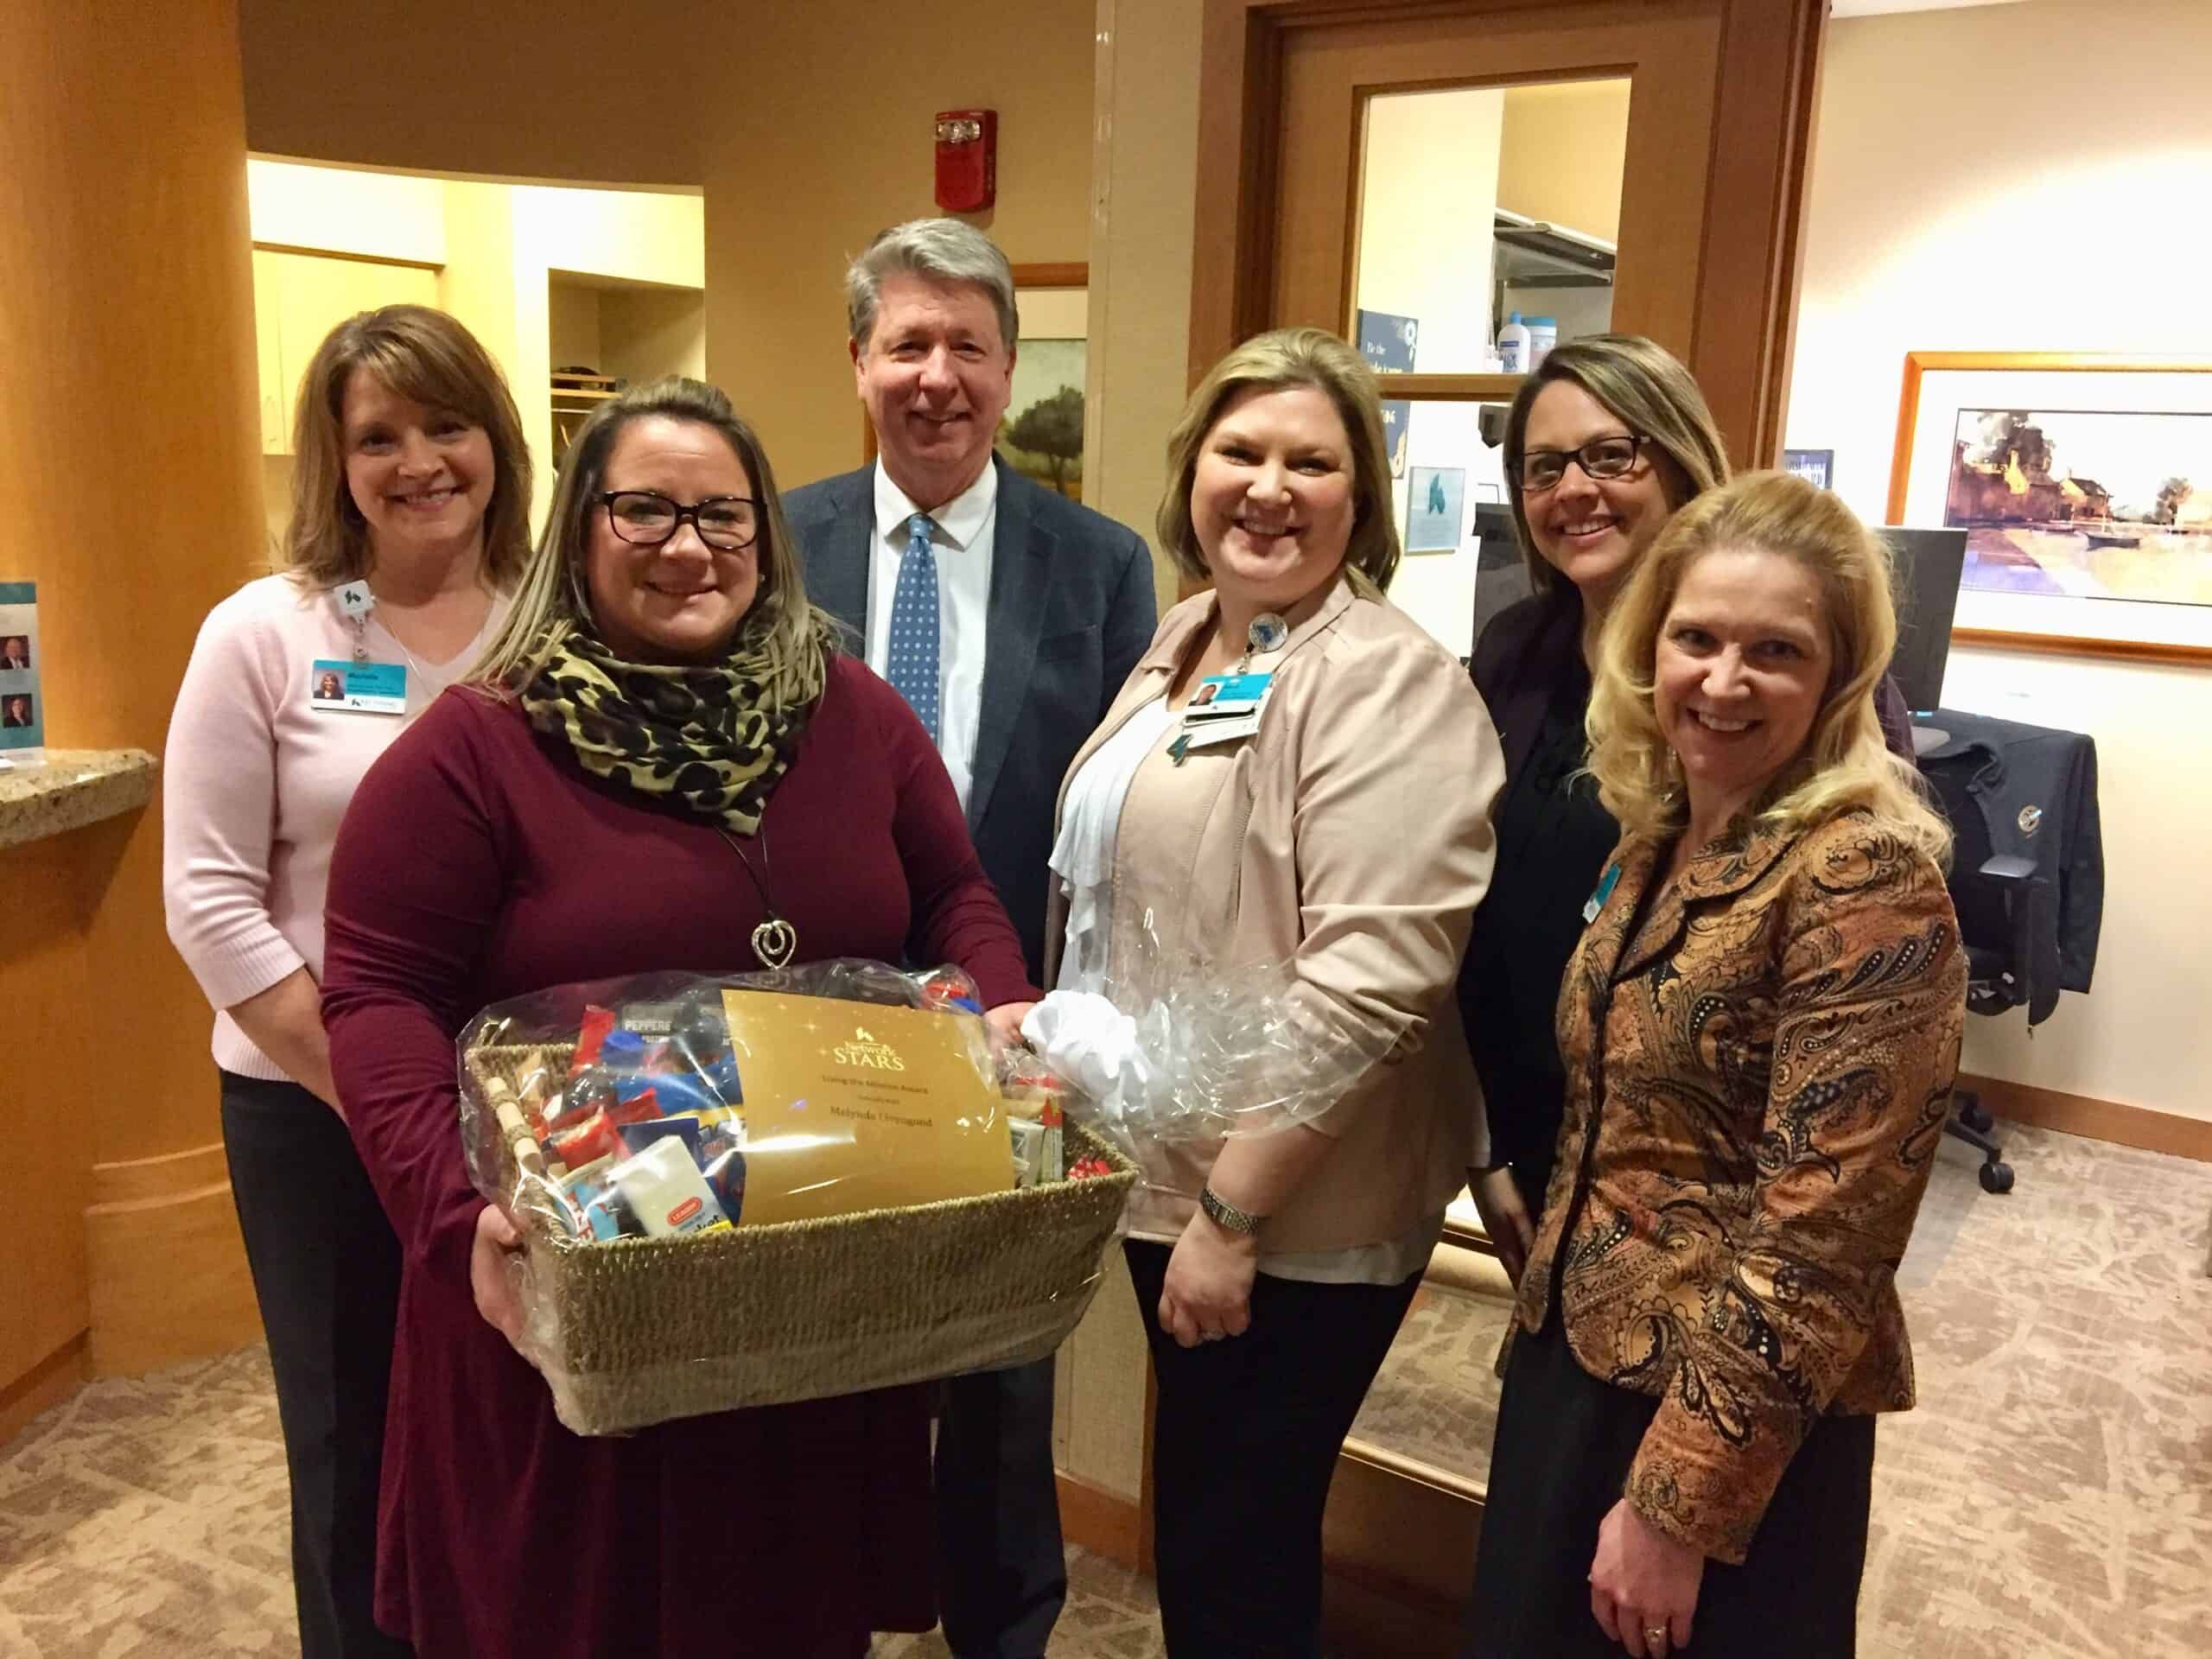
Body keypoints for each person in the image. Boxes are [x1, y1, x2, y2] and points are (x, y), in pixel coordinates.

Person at [320, 376, 1038, 1659]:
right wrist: (452, 1209)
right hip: (586, 1296)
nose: (688, 546)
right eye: (644, 511)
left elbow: (953, 894)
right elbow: (377, 998)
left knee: (787, 1613)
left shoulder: (850, 712)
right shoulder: (475, 751)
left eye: (722, 514)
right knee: (581, 1617)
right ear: (579, 529)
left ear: (766, 533)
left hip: (811, 1285)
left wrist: (1005, 1015)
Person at [1045, 327, 1502, 1656]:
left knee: (1233, 1553)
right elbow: (1153, 891)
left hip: (1286, 1210)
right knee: (1214, 1531)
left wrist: (1232, 1215)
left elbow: (1371, 985)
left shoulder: (1385, 681)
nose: (1268, 487)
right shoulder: (1197, 635)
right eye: (1240, 452)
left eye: (1312, 462)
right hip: (1173, 1171)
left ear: (1362, 499)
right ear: (1192, 470)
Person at [1466, 471, 1966, 1658]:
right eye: (1695, 638)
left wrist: (1678, 1505)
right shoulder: (1662, 836)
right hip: (1579, 1360)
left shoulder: (1861, 877)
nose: (1724, 681)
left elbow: (1825, 1240)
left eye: (1775, 652)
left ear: (1838, 676)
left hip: (1724, 1410)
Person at [784, 216, 1155, 1659]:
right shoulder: (779, 540)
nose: (936, 376)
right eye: (906, 345)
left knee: (1003, 1371)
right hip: (807, 1018)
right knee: (815, 1350)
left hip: (1013, 1017)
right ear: (857, 364)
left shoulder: (1101, 563)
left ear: (1009, 369)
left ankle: (1004, 1631)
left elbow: (1117, 807)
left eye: (968, 347)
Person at [162, 304, 530, 1659]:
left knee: (515, 1427)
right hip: (314, 1113)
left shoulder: (549, 626)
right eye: (380, 436)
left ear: (497, 440)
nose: (420, 461)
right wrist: (384, 1099)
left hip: (530, 1119)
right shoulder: (263, 633)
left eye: (447, 424)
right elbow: (207, 898)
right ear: (336, 460)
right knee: (350, 1434)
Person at [1459, 335, 1917, 1285]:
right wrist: (1484, 1143)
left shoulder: (1790, 689)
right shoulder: (1513, 648)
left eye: (1610, 455)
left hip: (1714, 1185)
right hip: (1539, 1130)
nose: (1573, 489)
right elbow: (1479, 905)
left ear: (1678, 456)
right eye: (1543, 467)